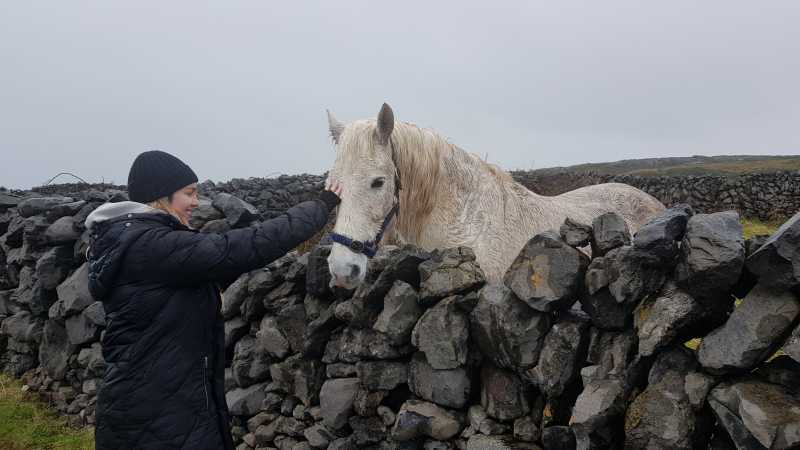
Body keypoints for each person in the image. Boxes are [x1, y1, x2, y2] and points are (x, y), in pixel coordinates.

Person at [85, 150, 341, 449]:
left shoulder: (137, 242)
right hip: (156, 412)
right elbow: (244, 247)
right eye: (189, 193)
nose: (197, 202)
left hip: (154, 402)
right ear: (160, 195)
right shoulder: (152, 245)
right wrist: (321, 206)